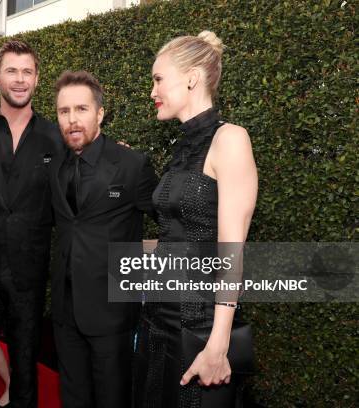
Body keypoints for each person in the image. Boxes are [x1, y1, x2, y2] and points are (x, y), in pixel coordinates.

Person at [133, 31, 258, 407]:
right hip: (158, 319)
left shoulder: (231, 139)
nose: (151, 90)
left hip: (200, 326)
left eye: (158, 79)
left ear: (191, 77)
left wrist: (218, 345)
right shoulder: (181, 150)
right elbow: (179, 235)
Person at [0, 39, 63, 408]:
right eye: (11, 71)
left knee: (25, 370)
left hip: (30, 277)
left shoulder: (57, 137)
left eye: (27, 72)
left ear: (36, 79)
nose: (19, 80)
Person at [49, 70, 158, 408]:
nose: (72, 120)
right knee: (73, 397)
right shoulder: (55, 166)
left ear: (100, 113)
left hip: (112, 312)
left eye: (81, 109)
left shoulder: (132, 165)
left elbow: (169, 222)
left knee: (113, 398)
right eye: (64, 112)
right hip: (65, 312)